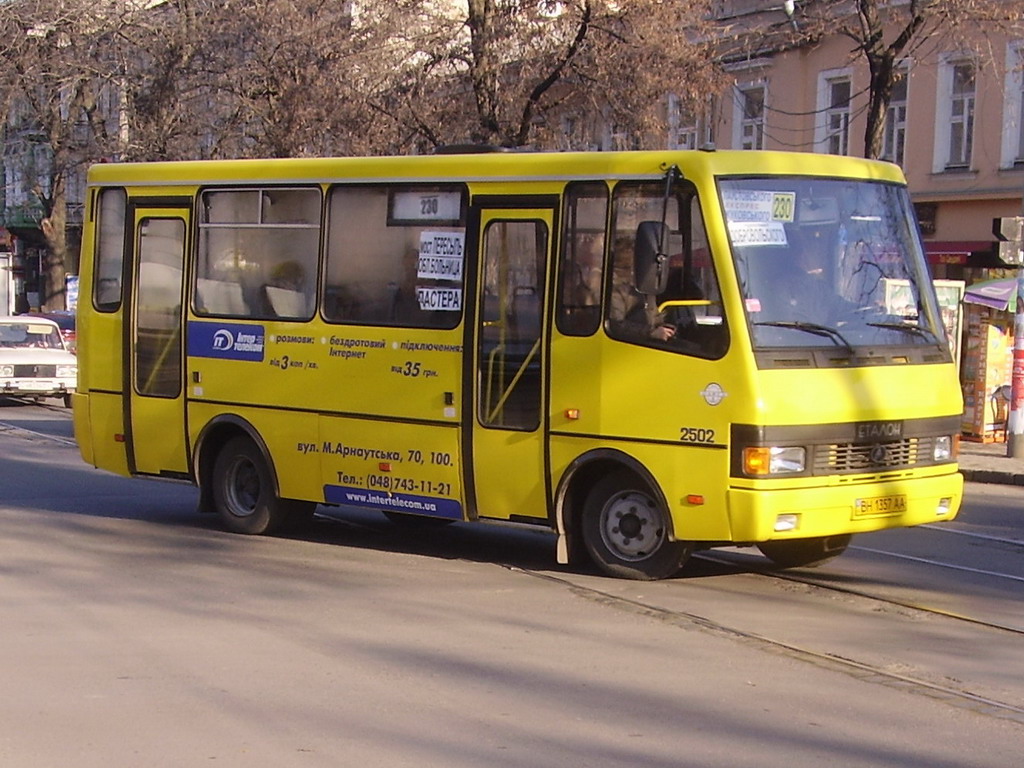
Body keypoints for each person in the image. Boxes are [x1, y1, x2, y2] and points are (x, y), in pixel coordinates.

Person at [607, 235, 676, 343]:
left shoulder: (644, 289)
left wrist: (665, 327)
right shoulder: (613, 291)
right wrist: (650, 333)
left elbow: (655, 317)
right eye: (625, 267)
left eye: (635, 267)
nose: (632, 272)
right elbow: (615, 326)